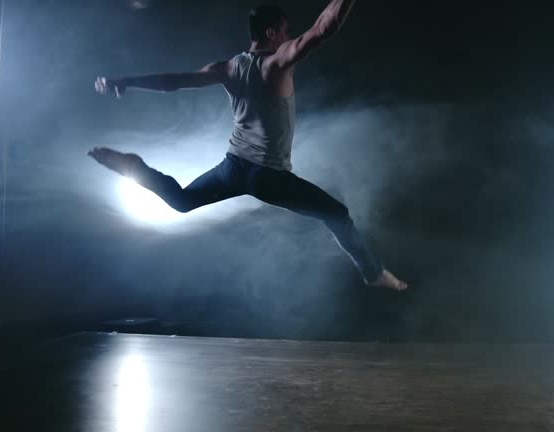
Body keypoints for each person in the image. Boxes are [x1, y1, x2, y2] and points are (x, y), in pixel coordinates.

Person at [90, 1, 407, 290]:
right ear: (271, 33)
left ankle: (135, 168)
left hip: (233, 167)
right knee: (338, 215)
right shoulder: (276, 63)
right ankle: (373, 273)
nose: (287, 37)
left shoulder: (227, 67)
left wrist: (126, 81)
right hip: (268, 176)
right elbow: (324, 27)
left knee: (182, 201)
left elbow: (175, 81)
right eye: (284, 31)